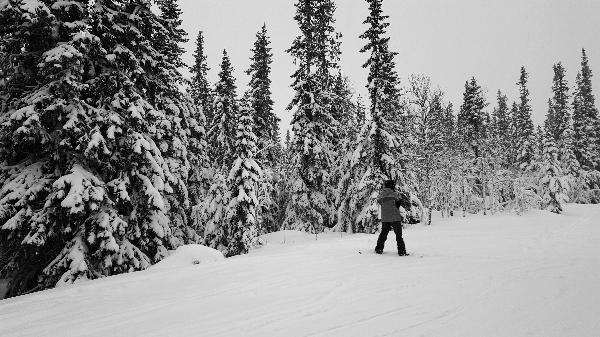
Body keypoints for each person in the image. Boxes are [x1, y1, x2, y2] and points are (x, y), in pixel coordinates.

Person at [375, 180, 408, 256]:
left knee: (383, 234)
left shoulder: (381, 195)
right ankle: (401, 251)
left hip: (385, 218)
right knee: (398, 236)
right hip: (395, 218)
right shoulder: (396, 194)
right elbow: (398, 204)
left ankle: (379, 249)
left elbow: (379, 202)